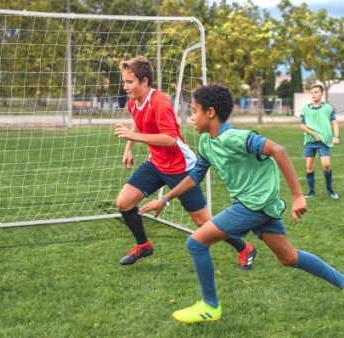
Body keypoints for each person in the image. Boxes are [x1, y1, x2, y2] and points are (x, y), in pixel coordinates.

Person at [139, 84, 344, 323]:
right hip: (260, 206)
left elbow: (278, 150)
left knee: (196, 243)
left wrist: (298, 195)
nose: (191, 117)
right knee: (289, 257)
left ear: (210, 112)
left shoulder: (236, 137)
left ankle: (210, 306)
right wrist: (164, 199)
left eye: (194, 111)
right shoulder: (206, 142)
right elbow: (195, 176)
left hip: (252, 204)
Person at [114, 56, 256, 269]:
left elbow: (170, 140)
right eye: (124, 82)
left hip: (181, 167)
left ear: (144, 82)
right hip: (156, 164)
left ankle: (244, 248)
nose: (125, 86)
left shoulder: (160, 101)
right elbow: (138, 122)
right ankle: (143, 245)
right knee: (124, 202)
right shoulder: (134, 102)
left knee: (203, 222)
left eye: (129, 82)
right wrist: (128, 149)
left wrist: (132, 138)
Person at [301, 84, 340, 199]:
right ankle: (311, 192)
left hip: (324, 141)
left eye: (316, 92)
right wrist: (314, 134)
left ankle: (330, 189)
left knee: (326, 165)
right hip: (310, 141)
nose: (313, 94)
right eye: (312, 92)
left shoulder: (327, 107)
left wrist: (336, 136)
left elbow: (334, 123)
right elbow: (302, 126)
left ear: (322, 94)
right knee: (309, 167)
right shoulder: (306, 108)